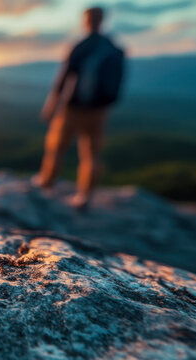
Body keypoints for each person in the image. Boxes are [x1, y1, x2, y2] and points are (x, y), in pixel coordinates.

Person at [34, 6, 125, 211]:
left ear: (87, 21)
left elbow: (64, 78)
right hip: (100, 110)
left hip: (73, 107)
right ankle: (85, 195)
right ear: (102, 20)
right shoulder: (112, 47)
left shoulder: (81, 46)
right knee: (92, 153)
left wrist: (51, 106)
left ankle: (46, 184)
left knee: (57, 147)